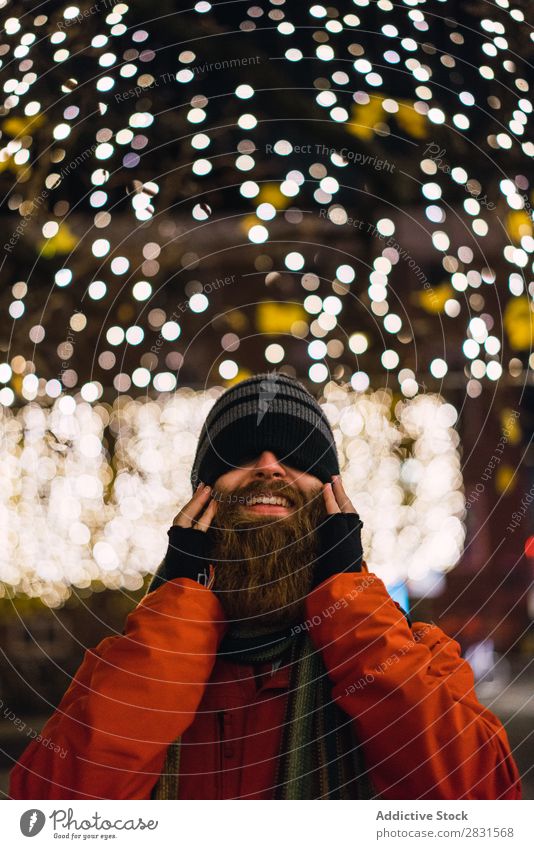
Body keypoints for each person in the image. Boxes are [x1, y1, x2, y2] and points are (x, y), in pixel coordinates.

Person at [10, 373, 522, 800]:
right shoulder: (126, 664)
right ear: (201, 498)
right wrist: (180, 601)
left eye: (298, 456)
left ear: (332, 497)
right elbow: (56, 816)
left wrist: (349, 596)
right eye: (240, 455)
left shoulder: (418, 655)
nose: (269, 466)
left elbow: (477, 805)